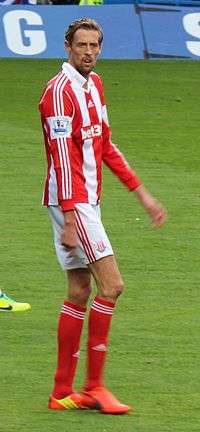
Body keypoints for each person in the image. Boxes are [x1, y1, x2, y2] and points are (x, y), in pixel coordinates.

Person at [39, 18, 166, 415]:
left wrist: (140, 191)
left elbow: (105, 145)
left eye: (95, 45)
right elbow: (63, 160)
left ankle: (62, 393)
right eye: (82, 45)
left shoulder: (94, 85)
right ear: (67, 46)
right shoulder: (58, 95)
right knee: (111, 286)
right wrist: (73, 218)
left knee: (80, 290)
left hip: (86, 202)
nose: (89, 52)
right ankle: (94, 386)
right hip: (72, 203)